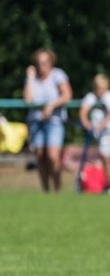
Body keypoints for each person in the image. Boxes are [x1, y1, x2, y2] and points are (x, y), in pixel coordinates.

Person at [23, 48, 72, 192]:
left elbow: (67, 95)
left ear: (51, 62)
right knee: (40, 156)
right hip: (36, 121)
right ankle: (46, 191)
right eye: (38, 63)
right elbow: (28, 99)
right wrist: (30, 78)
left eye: (44, 62)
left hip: (54, 120)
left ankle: (57, 189)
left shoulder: (58, 75)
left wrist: (51, 105)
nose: (41, 66)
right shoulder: (33, 78)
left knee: (52, 156)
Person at [78, 74, 110, 196]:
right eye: (98, 88)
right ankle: (109, 182)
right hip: (105, 135)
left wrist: (101, 124)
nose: (101, 92)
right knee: (104, 155)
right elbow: (83, 112)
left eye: (103, 89)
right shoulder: (90, 97)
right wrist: (86, 123)